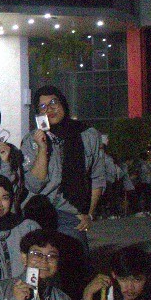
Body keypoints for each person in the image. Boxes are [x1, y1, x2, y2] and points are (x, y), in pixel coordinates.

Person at [22, 85, 106, 254]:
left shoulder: (88, 135)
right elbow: (34, 184)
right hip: (39, 214)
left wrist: (89, 214)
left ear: (63, 104)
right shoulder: (31, 140)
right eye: (43, 106)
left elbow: (97, 177)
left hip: (72, 214)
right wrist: (42, 148)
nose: (50, 109)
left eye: (54, 102)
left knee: (75, 263)